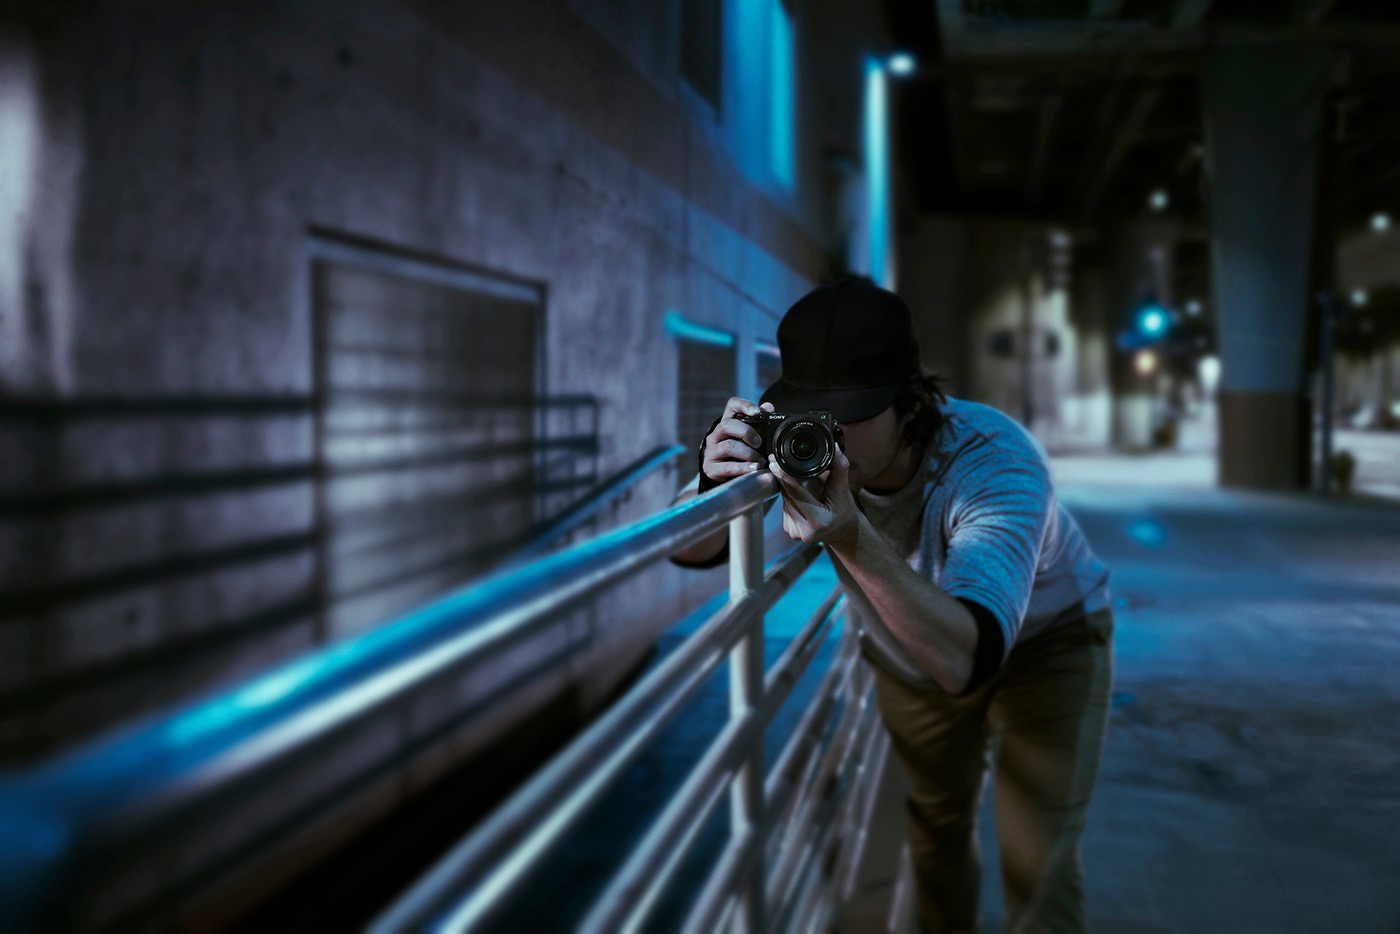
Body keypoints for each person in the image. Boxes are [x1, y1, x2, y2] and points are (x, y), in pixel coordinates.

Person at [671, 278, 1113, 934]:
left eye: (848, 413)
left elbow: (969, 656)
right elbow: (690, 552)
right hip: (911, 649)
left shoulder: (993, 462)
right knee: (934, 831)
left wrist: (850, 535)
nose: (826, 435)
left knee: (1038, 861)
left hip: (1048, 643)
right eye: (807, 412)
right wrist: (713, 483)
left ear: (907, 403)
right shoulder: (793, 446)